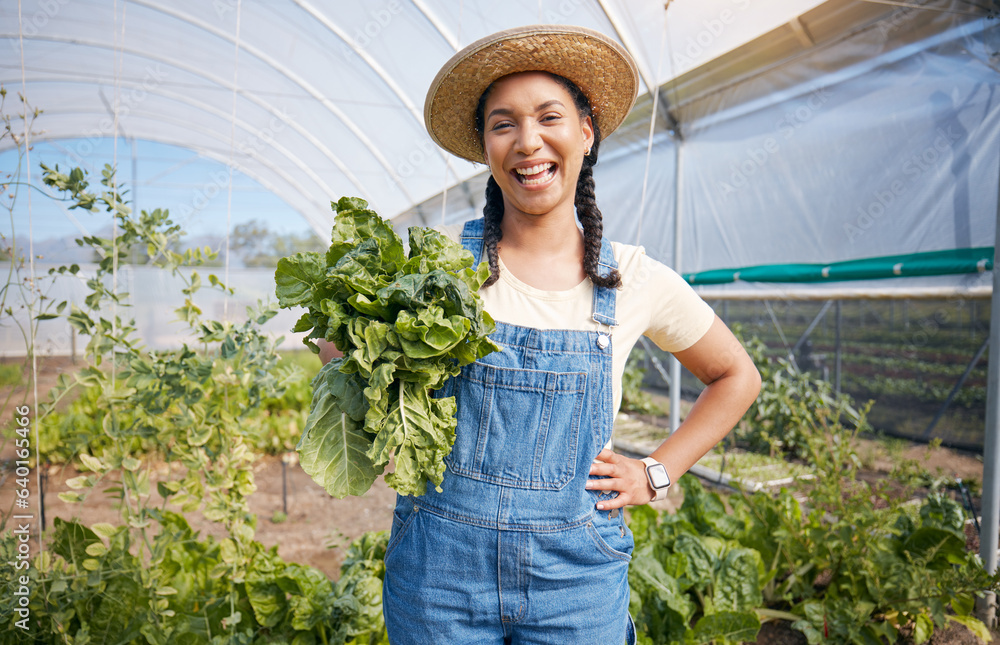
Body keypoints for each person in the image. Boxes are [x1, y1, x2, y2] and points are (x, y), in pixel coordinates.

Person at [324, 24, 761, 645]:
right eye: (503, 124)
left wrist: (656, 473)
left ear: (586, 131)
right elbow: (341, 349)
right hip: (438, 576)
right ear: (485, 145)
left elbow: (736, 376)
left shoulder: (632, 278)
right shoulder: (433, 273)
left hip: (575, 583)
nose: (527, 142)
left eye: (548, 117)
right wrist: (351, 351)